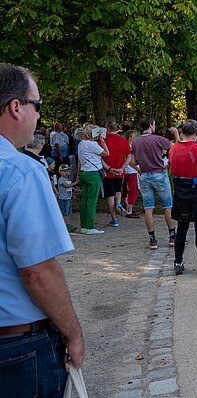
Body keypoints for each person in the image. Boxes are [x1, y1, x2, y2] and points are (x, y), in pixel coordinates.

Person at [0, 63, 85, 395]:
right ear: (16, 107)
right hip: (17, 346)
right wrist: (74, 333)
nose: (39, 118)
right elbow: (38, 270)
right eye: (38, 106)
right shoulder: (20, 171)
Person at [169, 119, 197, 276]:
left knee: (182, 228)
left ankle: (178, 262)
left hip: (180, 190)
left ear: (182, 132)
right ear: (196, 132)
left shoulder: (173, 149)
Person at [131, 117, 177, 249]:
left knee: (148, 208)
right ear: (151, 125)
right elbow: (176, 147)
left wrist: (139, 169)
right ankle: (172, 237)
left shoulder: (136, 141)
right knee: (167, 206)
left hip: (145, 175)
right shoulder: (158, 139)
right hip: (159, 174)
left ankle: (152, 239)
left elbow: (133, 162)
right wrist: (176, 134)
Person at [77, 123, 109, 235]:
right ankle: (90, 227)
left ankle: (84, 226)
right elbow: (106, 153)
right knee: (92, 201)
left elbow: (79, 160)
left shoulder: (81, 144)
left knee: (84, 201)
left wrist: (78, 174)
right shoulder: (93, 145)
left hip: (84, 172)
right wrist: (103, 141)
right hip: (93, 173)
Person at [102, 120, 131, 228]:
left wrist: (109, 168)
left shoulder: (103, 141)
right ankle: (118, 203)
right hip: (120, 171)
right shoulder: (124, 141)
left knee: (110, 195)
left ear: (108, 129)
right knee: (118, 190)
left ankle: (114, 219)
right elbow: (128, 157)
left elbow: (100, 158)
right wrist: (122, 168)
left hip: (107, 172)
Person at [123, 129, 140, 218]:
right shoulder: (128, 146)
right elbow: (129, 160)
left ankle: (129, 208)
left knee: (133, 190)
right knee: (133, 190)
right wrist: (137, 168)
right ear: (130, 137)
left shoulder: (130, 145)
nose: (136, 137)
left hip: (132, 170)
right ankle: (129, 210)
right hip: (131, 170)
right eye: (134, 136)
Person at [57, 164, 79, 233]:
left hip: (68, 198)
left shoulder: (67, 179)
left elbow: (69, 188)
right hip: (63, 199)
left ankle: (68, 224)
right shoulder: (61, 179)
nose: (67, 173)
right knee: (65, 213)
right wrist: (76, 182)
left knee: (68, 213)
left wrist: (71, 195)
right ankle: (66, 225)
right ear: (60, 172)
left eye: (68, 171)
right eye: (65, 171)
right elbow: (67, 186)